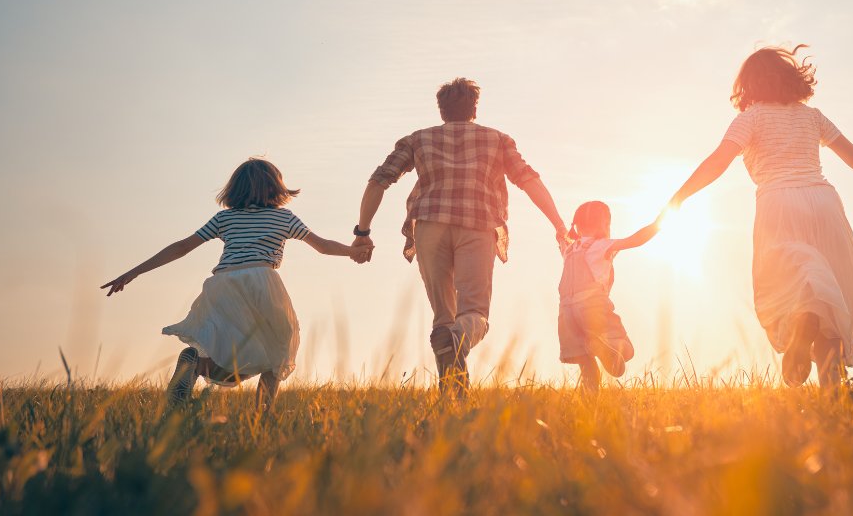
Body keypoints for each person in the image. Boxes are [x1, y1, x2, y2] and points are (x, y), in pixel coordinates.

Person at [667, 45, 853, 388]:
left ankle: (803, 322)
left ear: (748, 84)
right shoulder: (812, 116)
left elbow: (718, 162)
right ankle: (833, 390)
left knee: (790, 283)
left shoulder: (749, 118)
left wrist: (678, 198)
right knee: (834, 292)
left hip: (778, 203)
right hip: (824, 202)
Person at [351, 78, 568, 395]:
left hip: (429, 226)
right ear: (474, 109)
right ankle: (455, 353)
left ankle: (453, 395)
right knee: (474, 313)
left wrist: (363, 232)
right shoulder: (497, 139)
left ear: (441, 110)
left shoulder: (417, 140)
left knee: (444, 316)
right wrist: (559, 225)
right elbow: (529, 180)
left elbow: (378, 181)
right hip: (477, 224)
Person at [100, 158, 369, 411]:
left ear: (234, 189)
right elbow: (323, 247)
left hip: (223, 283)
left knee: (226, 349)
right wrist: (354, 251)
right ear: (275, 186)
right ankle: (262, 418)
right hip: (262, 281)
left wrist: (134, 272)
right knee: (278, 350)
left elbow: (182, 247)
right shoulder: (284, 217)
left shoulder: (225, 218)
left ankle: (194, 365)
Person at [558, 201, 663, 392]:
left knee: (585, 359)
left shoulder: (569, 250)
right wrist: (659, 222)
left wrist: (560, 230)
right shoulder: (602, 245)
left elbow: (561, 239)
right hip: (592, 306)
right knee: (626, 350)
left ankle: (590, 401)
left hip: (567, 313)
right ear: (603, 225)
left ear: (577, 226)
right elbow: (635, 240)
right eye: (608, 224)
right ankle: (604, 345)